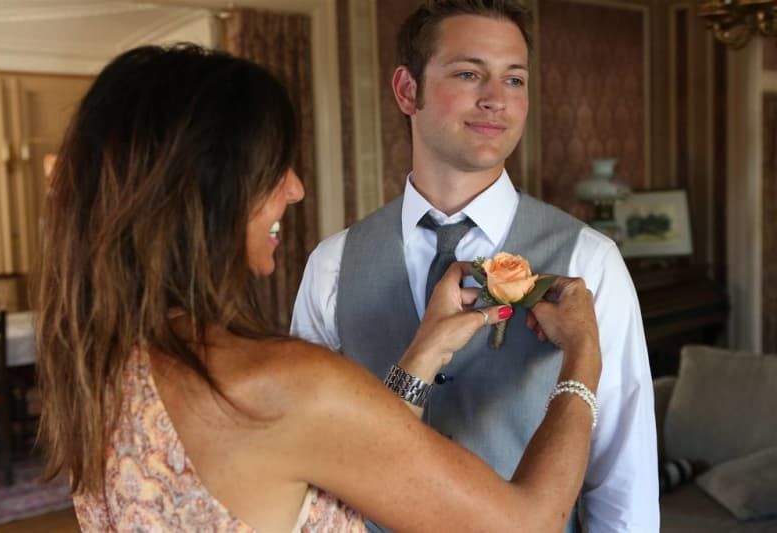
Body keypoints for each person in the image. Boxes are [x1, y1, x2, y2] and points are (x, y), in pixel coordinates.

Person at [35, 44, 603, 532]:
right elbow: (528, 523)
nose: (298, 188)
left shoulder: (105, 370)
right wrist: (582, 361)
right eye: (274, 167)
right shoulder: (279, 383)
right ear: (209, 190)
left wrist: (424, 352)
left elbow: (326, 456)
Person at [291, 1, 660, 532]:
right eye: (469, 74)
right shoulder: (331, 266)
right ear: (406, 90)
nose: (496, 100)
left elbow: (624, 473)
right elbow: (308, 456)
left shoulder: (590, 261)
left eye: (514, 80)